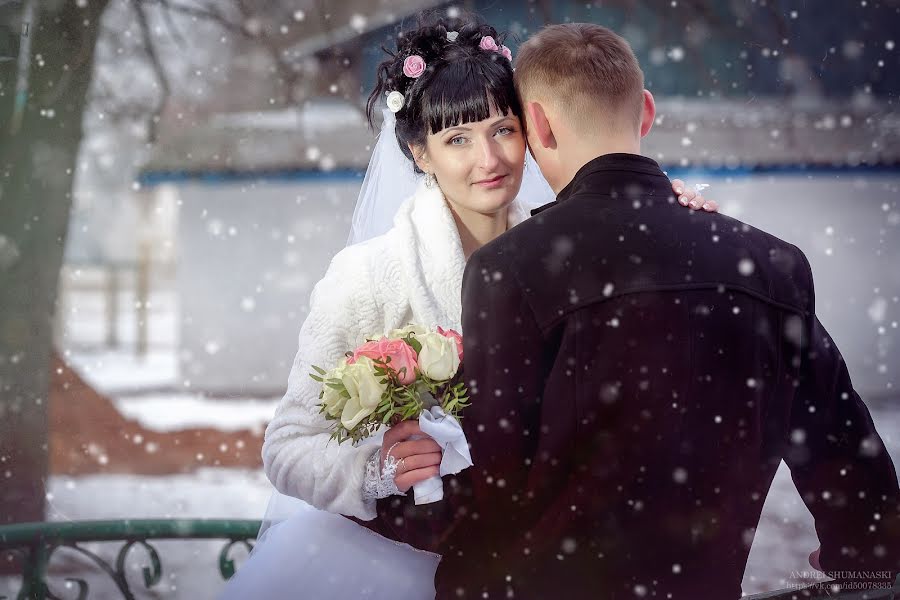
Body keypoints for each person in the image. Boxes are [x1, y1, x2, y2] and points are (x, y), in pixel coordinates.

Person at [371, 23, 900, 600]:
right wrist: (860, 560)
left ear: (538, 125)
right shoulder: (773, 263)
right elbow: (845, 459)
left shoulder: (514, 267)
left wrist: (377, 506)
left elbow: (499, 491)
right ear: (645, 112)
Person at [219, 12, 716, 600]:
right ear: (419, 153)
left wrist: (663, 214)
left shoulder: (562, 249)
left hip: (544, 559)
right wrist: (378, 469)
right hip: (392, 554)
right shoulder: (370, 276)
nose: (490, 159)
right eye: (457, 138)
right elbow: (288, 445)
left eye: (503, 129)